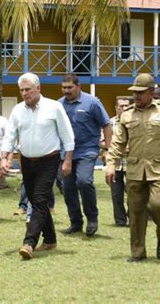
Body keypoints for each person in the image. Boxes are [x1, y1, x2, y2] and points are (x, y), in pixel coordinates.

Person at [1, 73, 75, 260]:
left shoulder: (54, 107)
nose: (24, 93)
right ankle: (50, 239)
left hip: (49, 160)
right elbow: (10, 135)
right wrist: (4, 158)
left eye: (28, 89)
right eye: (22, 90)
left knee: (40, 200)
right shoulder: (18, 110)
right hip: (26, 160)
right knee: (36, 201)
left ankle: (29, 243)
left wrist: (67, 160)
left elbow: (67, 135)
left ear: (38, 88)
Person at [106, 73, 160, 262]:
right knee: (136, 211)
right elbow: (117, 143)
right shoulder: (127, 114)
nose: (136, 96)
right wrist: (111, 165)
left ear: (151, 92)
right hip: (135, 169)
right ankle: (138, 252)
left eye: (140, 92)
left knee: (158, 206)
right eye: (134, 92)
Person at [59, 74, 112, 236]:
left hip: (87, 150)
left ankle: (92, 218)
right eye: (64, 88)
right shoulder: (59, 105)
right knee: (67, 188)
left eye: (70, 87)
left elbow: (106, 125)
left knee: (84, 181)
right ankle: (75, 222)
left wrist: (107, 149)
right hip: (65, 152)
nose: (66, 91)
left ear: (78, 86)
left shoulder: (92, 102)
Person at [101, 97, 130, 226]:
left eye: (126, 106)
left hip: (132, 163)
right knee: (116, 194)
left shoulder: (135, 122)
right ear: (116, 108)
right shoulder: (110, 123)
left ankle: (134, 217)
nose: (124, 108)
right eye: (121, 106)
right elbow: (101, 141)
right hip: (115, 164)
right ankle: (120, 220)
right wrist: (114, 146)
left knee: (134, 194)